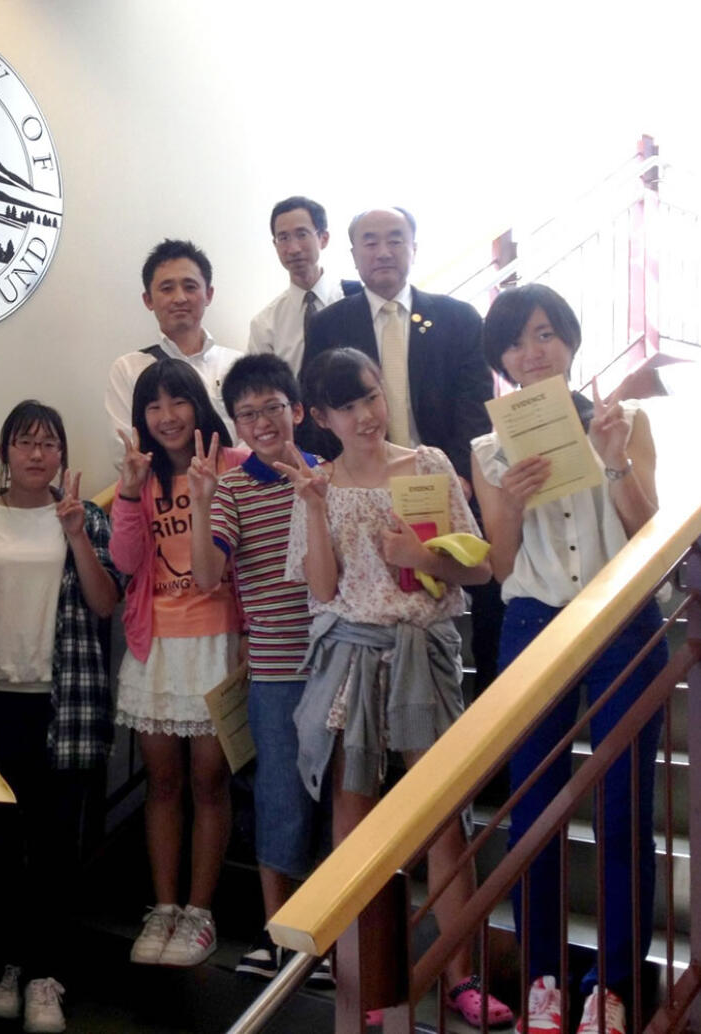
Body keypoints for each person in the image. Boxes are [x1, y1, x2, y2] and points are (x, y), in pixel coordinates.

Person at [283, 349, 512, 1028]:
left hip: (424, 649)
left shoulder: (430, 465)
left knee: (440, 812)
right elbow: (322, 591)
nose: (365, 416)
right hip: (350, 654)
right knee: (353, 814)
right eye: (347, 406)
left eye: (371, 397)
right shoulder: (316, 483)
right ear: (321, 417)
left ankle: (459, 972)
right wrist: (318, 511)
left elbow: (480, 570)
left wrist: (423, 557)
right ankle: (364, 972)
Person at [471, 285, 667, 1034]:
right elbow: (498, 561)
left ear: (571, 342)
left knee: (622, 810)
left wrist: (614, 462)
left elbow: (650, 532)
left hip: (622, 617)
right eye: (518, 342)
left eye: (546, 334)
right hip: (532, 621)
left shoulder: (626, 420)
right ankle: (547, 979)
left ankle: (612, 986)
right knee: (534, 809)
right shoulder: (490, 448)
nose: (534, 351)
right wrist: (512, 499)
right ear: (502, 360)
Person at [0, 400, 121, 1033]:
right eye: (25, 442)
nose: (37, 454)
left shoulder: (86, 516)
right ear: (5, 452)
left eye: (49, 444)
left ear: (63, 454)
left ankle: (47, 975)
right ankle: (10, 967)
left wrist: (74, 534)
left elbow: (104, 607)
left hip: (62, 703)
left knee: (53, 848)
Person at [303, 205, 504, 694]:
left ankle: (486, 745)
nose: (383, 250)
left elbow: (475, 404)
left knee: (478, 607)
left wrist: (455, 475)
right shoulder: (330, 323)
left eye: (395, 238)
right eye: (369, 241)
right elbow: (320, 404)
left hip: (437, 480)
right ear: (352, 253)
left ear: (414, 246)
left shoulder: (457, 318)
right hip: (362, 478)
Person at [186, 353, 332, 981]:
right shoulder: (233, 490)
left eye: (273, 406)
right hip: (273, 670)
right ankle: (280, 937)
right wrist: (199, 502)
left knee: (337, 803)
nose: (262, 421)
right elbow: (207, 574)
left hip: (341, 662)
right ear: (237, 425)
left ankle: (329, 934)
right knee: (279, 797)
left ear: (297, 411)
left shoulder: (332, 476)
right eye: (247, 413)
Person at [110, 358, 248, 967]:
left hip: (218, 640)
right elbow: (126, 559)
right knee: (162, 785)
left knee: (209, 783)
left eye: (178, 401)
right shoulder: (139, 478)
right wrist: (128, 491)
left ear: (199, 405)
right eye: (153, 406)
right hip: (156, 646)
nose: (166, 417)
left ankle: (199, 914)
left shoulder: (232, 465)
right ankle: (163, 909)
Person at [105, 238, 244, 467]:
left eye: (190, 286)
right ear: (148, 300)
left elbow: (255, 434)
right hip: (164, 495)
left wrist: (223, 481)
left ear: (208, 294)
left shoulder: (237, 364)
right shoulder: (128, 369)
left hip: (238, 493)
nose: (180, 298)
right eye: (167, 288)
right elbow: (127, 451)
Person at [248, 196, 362, 373]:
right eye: (283, 238)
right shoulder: (265, 324)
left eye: (302, 234)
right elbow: (263, 388)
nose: (293, 249)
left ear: (323, 238)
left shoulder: (356, 297)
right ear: (275, 244)